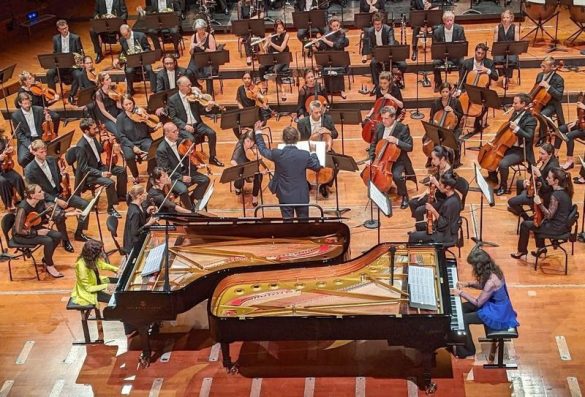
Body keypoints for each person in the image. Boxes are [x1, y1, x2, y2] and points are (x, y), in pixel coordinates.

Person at [450, 246, 519, 359]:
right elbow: (483, 286)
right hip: (493, 304)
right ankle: (458, 340)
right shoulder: (494, 271)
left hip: (497, 312)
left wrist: (460, 293)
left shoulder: (491, 281)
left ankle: (468, 350)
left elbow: (478, 303)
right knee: (461, 308)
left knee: (463, 319)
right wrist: (467, 284)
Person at [24, 139, 90, 246]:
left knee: (86, 205)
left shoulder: (51, 160)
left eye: (45, 150)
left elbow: (57, 179)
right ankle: (65, 241)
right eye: (41, 152)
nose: (45, 153)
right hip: (45, 199)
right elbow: (36, 192)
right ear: (34, 152)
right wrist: (56, 200)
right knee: (59, 216)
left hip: (60, 193)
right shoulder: (29, 170)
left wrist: (62, 174)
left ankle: (79, 232)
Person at [254, 121, 321, 218]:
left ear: (283, 139)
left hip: (284, 194)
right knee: (304, 225)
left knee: (287, 224)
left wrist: (258, 132)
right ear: (297, 138)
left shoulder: (277, 154)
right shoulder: (304, 154)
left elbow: (263, 150)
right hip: (301, 195)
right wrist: (313, 151)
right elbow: (317, 167)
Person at [512, 167, 573, 258]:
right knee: (537, 222)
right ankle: (541, 248)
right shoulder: (566, 191)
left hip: (556, 228)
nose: (546, 179)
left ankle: (522, 251)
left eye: (549, 177)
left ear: (556, 181)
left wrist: (539, 204)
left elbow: (549, 215)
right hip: (563, 225)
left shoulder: (555, 196)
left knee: (525, 225)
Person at [486, 93, 536, 196]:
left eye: (515, 103)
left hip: (522, 150)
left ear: (523, 104)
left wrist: (517, 129)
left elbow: (529, 136)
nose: (513, 105)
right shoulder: (515, 113)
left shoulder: (531, 119)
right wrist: (496, 138)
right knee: (489, 154)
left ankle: (503, 187)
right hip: (510, 146)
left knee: (503, 163)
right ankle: (493, 175)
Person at [167, 76, 224, 166]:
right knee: (191, 139)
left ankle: (212, 158)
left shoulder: (194, 95)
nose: (191, 87)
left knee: (212, 133)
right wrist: (185, 126)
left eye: (190, 85)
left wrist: (208, 107)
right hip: (184, 126)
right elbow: (173, 117)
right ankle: (192, 161)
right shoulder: (173, 100)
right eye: (188, 85)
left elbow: (201, 110)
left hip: (198, 124)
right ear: (180, 87)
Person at [76, 117, 127, 217]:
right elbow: (84, 168)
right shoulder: (81, 146)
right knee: (110, 183)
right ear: (86, 131)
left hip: (99, 167)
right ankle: (110, 209)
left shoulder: (93, 137)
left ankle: (120, 196)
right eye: (94, 129)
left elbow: (100, 150)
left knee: (121, 171)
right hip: (89, 175)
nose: (96, 130)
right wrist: (101, 173)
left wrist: (107, 142)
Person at [156, 122, 211, 211]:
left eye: (177, 130)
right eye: (174, 132)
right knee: (183, 190)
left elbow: (187, 157)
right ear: (167, 133)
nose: (177, 132)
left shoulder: (180, 142)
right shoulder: (161, 150)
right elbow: (165, 170)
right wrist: (181, 178)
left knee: (205, 180)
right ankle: (190, 210)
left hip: (185, 171)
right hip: (173, 177)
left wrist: (197, 164)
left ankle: (192, 199)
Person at [12, 184, 64, 278]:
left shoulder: (39, 202)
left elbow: (44, 215)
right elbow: (18, 230)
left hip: (34, 228)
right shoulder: (23, 208)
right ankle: (49, 265)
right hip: (21, 235)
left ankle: (46, 259)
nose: (43, 192)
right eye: (39, 191)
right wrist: (37, 233)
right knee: (48, 240)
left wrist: (67, 214)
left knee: (58, 235)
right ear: (32, 195)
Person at [367, 106, 414, 209]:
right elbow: (373, 144)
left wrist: (396, 141)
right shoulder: (379, 127)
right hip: (381, 159)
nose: (383, 121)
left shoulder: (402, 128)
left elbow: (409, 147)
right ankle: (380, 191)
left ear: (393, 117)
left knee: (397, 176)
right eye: (382, 118)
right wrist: (371, 159)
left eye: (386, 118)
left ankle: (404, 196)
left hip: (397, 159)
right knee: (371, 172)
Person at [297, 100, 338, 198]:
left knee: (336, 163)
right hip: (309, 148)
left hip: (325, 148)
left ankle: (325, 184)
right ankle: (306, 183)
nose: (319, 114)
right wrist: (311, 137)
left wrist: (329, 132)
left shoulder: (327, 119)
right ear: (310, 112)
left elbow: (335, 134)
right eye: (316, 112)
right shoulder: (302, 122)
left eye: (320, 112)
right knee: (298, 161)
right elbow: (300, 139)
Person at [507, 143, 558, 220]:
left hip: (542, 195)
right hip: (538, 186)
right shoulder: (546, 159)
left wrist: (538, 176)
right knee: (519, 183)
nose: (540, 156)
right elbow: (539, 175)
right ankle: (519, 209)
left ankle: (526, 218)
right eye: (539, 153)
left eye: (543, 154)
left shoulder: (552, 166)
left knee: (511, 202)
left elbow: (546, 188)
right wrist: (529, 181)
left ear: (550, 154)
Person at [455, 43, 498, 135]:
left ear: (485, 54)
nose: (480, 55)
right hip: (468, 89)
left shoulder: (489, 63)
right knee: (457, 101)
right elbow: (461, 78)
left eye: (482, 54)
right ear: (475, 52)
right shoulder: (466, 63)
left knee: (486, 102)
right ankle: (458, 123)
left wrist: (488, 70)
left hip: (482, 91)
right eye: (478, 53)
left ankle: (477, 123)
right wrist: (459, 90)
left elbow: (496, 77)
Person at [116, 95, 160, 183]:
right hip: (129, 142)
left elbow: (148, 129)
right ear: (122, 106)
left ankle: (150, 172)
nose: (129, 106)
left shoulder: (140, 112)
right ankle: (135, 175)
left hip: (144, 140)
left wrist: (155, 127)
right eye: (126, 104)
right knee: (129, 156)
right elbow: (121, 136)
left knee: (154, 151)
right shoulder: (120, 118)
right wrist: (133, 147)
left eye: (130, 103)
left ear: (133, 103)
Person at [408, 172, 462, 244]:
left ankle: (415, 252)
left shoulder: (451, 203)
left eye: (440, 185)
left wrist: (432, 210)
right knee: (418, 226)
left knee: (413, 236)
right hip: (444, 228)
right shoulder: (454, 195)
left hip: (444, 235)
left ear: (448, 187)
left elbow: (443, 224)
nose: (439, 186)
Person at [408, 145, 454, 225]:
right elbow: (432, 184)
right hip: (434, 195)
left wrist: (435, 182)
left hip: (442, 200)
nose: (432, 161)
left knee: (419, 210)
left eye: (434, 159)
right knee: (412, 202)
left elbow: (445, 192)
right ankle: (419, 225)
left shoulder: (449, 174)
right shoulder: (440, 166)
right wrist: (423, 193)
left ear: (442, 159)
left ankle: (420, 229)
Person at [361, 12, 407, 90]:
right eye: (376, 24)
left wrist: (384, 55)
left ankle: (396, 79)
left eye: (379, 24)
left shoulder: (388, 29)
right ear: (373, 24)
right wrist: (378, 55)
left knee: (403, 65)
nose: (377, 26)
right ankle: (376, 85)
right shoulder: (369, 31)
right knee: (373, 63)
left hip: (389, 53)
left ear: (382, 23)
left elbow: (391, 44)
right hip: (378, 54)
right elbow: (369, 47)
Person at [70, 239, 119, 306]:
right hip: (90, 292)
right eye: (100, 252)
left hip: (96, 281)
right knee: (117, 301)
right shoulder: (82, 267)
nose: (102, 253)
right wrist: (106, 286)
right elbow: (88, 288)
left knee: (120, 281)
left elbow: (101, 264)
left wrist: (116, 269)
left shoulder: (91, 259)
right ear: (93, 254)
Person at [309, 16, 349, 99]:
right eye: (334, 26)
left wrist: (325, 40)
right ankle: (327, 89)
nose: (336, 28)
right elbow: (322, 46)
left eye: (337, 26)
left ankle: (341, 90)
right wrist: (317, 43)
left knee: (338, 67)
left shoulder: (342, 33)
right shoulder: (327, 33)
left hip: (339, 57)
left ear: (339, 25)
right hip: (329, 57)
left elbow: (337, 45)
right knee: (325, 66)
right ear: (330, 26)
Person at [12, 92, 54, 168]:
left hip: (40, 137)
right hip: (27, 139)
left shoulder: (39, 110)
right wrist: (29, 145)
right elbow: (19, 134)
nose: (28, 106)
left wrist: (48, 120)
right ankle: (33, 171)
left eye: (29, 103)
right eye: (25, 104)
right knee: (22, 160)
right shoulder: (15, 116)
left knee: (51, 153)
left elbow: (47, 126)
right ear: (20, 103)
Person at [46, 19, 84, 102]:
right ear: (58, 29)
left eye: (66, 28)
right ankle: (53, 95)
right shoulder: (55, 39)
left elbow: (80, 53)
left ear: (68, 26)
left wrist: (77, 60)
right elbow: (55, 52)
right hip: (61, 64)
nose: (65, 30)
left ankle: (72, 95)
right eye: (62, 29)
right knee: (50, 73)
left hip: (72, 65)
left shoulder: (75, 38)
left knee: (79, 75)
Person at [427, 82, 463, 167]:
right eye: (443, 92)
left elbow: (461, 115)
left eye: (446, 92)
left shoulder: (455, 102)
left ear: (450, 91)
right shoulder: (436, 103)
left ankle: (457, 159)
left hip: (453, 128)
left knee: (455, 141)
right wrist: (432, 126)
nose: (444, 94)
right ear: (440, 92)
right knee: (427, 138)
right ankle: (430, 157)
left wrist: (452, 111)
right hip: (438, 127)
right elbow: (432, 117)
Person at [116, 24, 156, 95]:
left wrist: (143, 53)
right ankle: (130, 90)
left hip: (143, 58)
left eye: (126, 35)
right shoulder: (122, 39)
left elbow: (147, 48)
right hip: (132, 60)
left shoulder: (141, 36)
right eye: (123, 35)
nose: (125, 37)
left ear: (130, 31)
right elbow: (123, 52)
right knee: (128, 71)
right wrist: (118, 59)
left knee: (149, 69)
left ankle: (154, 89)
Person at [432, 11, 466, 92]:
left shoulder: (459, 29)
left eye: (451, 20)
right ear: (444, 21)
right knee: (434, 63)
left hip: (456, 55)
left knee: (463, 62)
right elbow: (436, 47)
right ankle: (438, 83)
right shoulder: (437, 31)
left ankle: (461, 84)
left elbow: (462, 44)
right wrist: (444, 59)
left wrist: (455, 54)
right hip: (442, 56)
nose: (450, 22)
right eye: (447, 21)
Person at [534, 56, 565, 145]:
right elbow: (535, 89)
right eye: (541, 65)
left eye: (544, 66)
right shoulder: (540, 75)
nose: (542, 68)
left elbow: (559, 96)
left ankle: (543, 137)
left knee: (542, 115)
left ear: (552, 67)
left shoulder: (559, 79)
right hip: (540, 101)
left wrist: (548, 87)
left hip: (552, 104)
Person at [230, 130, 264, 207]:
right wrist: (241, 169)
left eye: (252, 142)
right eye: (248, 141)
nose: (250, 144)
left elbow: (256, 150)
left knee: (259, 175)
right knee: (239, 180)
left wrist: (257, 153)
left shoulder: (251, 143)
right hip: (240, 165)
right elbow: (232, 161)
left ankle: (255, 196)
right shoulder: (239, 147)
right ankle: (237, 187)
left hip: (247, 163)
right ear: (244, 139)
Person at [235, 71, 273, 137]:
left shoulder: (256, 88)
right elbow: (238, 101)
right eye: (245, 78)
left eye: (249, 78)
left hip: (255, 115)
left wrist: (259, 97)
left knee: (254, 125)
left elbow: (262, 101)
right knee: (235, 126)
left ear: (252, 79)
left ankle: (254, 142)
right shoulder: (240, 89)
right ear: (242, 79)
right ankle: (243, 141)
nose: (247, 80)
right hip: (245, 113)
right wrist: (243, 111)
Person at [123, 184, 157, 254]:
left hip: (137, 238)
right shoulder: (135, 212)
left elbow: (140, 219)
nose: (147, 194)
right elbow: (135, 232)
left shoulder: (137, 204)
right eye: (144, 193)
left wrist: (147, 211)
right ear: (139, 196)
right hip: (133, 245)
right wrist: (148, 224)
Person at [257, 19, 291, 91]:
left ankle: (282, 90)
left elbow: (281, 49)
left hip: (282, 59)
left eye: (282, 27)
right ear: (275, 28)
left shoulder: (286, 35)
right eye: (279, 28)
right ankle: (264, 86)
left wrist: (271, 43)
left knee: (275, 70)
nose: (281, 29)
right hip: (272, 59)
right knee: (261, 67)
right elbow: (263, 49)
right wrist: (264, 43)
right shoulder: (271, 35)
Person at [187, 19, 217, 94]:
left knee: (207, 73)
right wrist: (192, 48)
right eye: (198, 29)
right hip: (196, 58)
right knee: (188, 72)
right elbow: (191, 53)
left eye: (202, 29)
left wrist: (202, 47)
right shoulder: (193, 36)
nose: (200, 31)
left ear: (204, 28)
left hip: (207, 59)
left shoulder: (209, 36)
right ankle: (197, 85)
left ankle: (210, 91)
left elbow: (213, 51)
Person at [554, 101, 585, 170]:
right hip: (582, 124)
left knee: (569, 136)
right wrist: (576, 121)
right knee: (560, 129)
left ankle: (570, 161)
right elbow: (582, 114)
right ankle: (554, 155)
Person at [493, 9, 520, 90]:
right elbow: (495, 42)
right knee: (497, 60)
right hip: (500, 50)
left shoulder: (515, 28)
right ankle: (504, 76)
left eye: (507, 17)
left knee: (511, 60)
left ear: (511, 18)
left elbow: (517, 42)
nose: (505, 19)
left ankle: (506, 77)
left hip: (511, 51)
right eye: (504, 17)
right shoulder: (497, 28)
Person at [0, 132, 25, 211]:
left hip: (4, 168)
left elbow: (10, 153)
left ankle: (25, 198)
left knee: (17, 177)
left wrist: (11, 150)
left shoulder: (2, 140)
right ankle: (9, 204)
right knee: (3, 182)